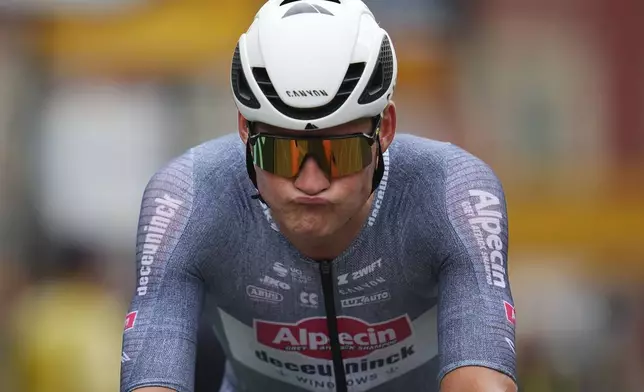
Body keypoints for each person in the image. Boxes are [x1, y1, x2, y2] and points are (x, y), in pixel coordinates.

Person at [119, 0, 518, 391]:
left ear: (385, 131)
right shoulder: (190, 197)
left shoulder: (450, 189)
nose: (311, 182)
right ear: (245, 130)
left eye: (339, 154)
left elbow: (480, 383)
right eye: (280, 153)